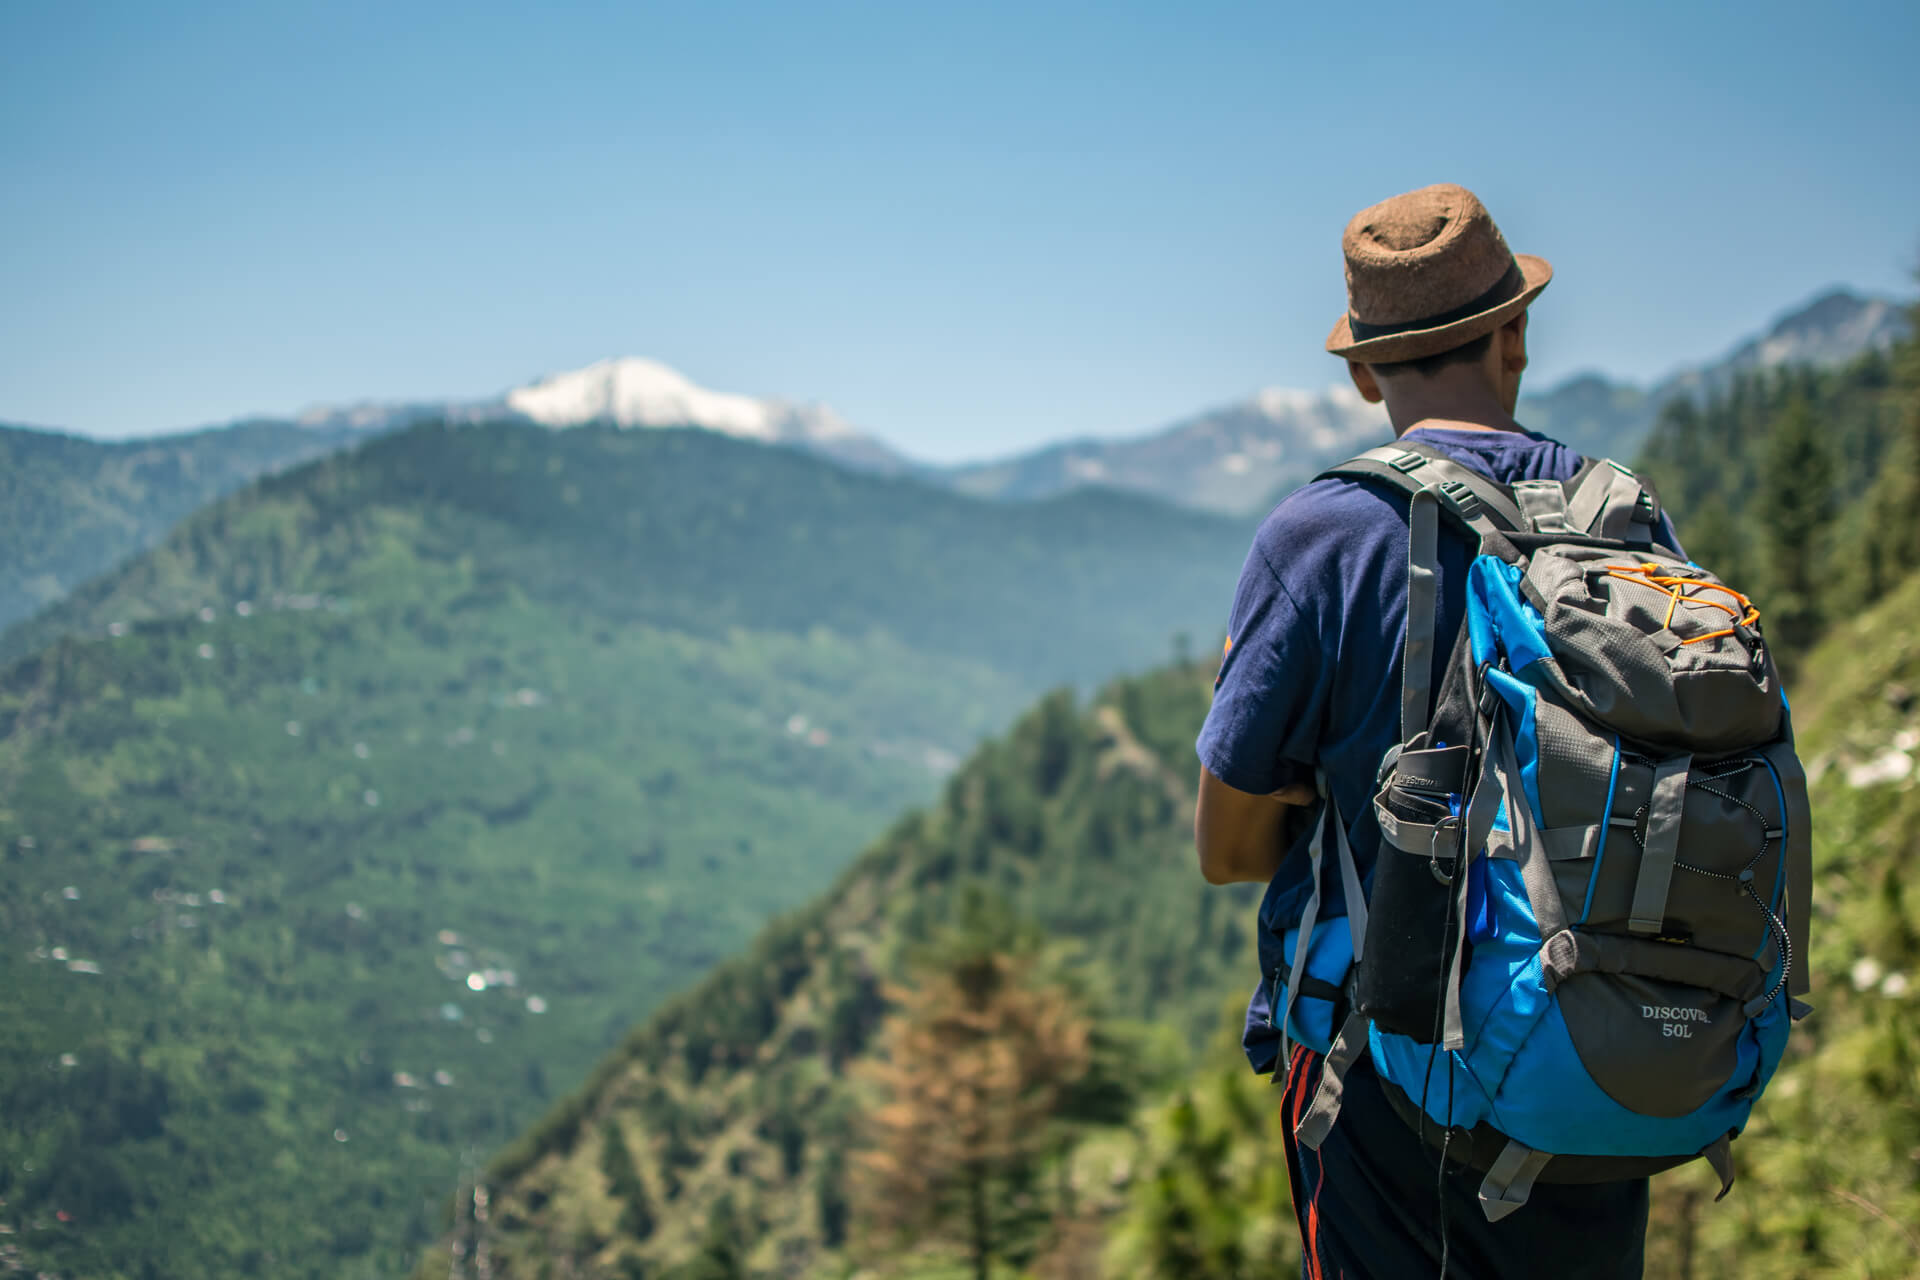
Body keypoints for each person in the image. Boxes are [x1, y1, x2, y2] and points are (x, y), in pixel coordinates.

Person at [1193, 183, 1659, 1278]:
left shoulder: (1322, 536)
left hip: (1386, 1069)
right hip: (1592, 1050)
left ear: (1362, 371)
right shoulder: (1624, 521)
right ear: (1518, 335)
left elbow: (1227, 852)